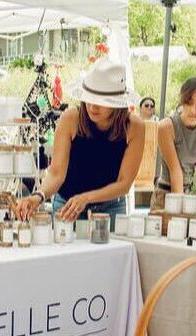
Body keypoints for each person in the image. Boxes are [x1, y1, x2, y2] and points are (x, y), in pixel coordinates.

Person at [18, 61, 145, 225]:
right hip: (68, 205)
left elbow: (124, 184)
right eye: (88, 98)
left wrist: (86, 198)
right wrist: (38, 196)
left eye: (101, 101)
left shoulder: (134, 126)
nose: (92, 106)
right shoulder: (71, 118)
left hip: (110, 208)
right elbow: (56, 174)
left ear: (117, 103)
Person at [150, 78, 196, 210]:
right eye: (189, 102)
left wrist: (194, 205)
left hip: (195, 196)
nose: (193, 110)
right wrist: (181, 212)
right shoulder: (166, 127)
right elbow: (176, 172)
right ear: (182, 100)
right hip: (167, 196)